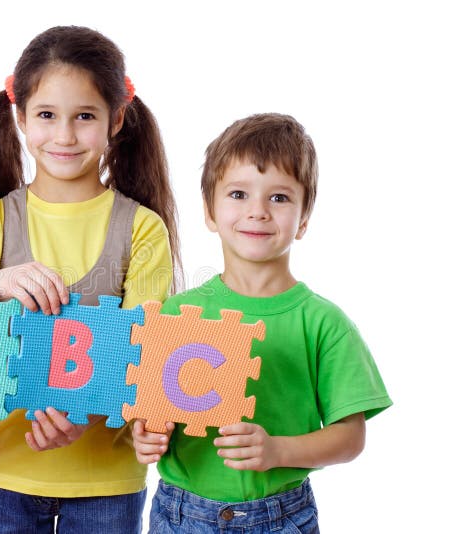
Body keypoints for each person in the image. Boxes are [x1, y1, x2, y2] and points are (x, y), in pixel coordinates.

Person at [0, 25, 180, 534]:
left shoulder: (142, 228)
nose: (64, 135)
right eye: (46, 116)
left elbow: (148, 352)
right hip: (1, 478)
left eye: (84, 116)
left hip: (106, 485)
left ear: (116, 119)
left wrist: (88, 410)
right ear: (20, 118)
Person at [132, 113, 392, 533]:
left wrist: (278, 450)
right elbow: (149, 412)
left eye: (279, 198)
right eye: (238, 193)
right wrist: (144, 435)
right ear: (210, 212)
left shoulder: (324, 323)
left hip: (281, 515)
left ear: (304, 218)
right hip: (180, 513)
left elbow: (350, 438)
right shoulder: (174, 313)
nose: (257, 211)